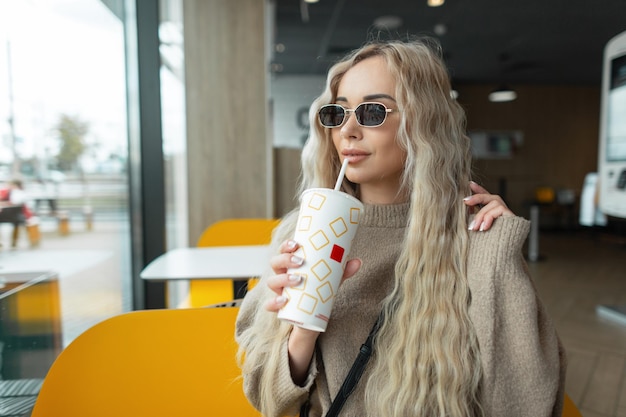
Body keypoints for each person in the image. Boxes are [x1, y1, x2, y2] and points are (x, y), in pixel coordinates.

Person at [235, 38, 566, 417]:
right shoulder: (303, 232)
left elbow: (529, 399)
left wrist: (497, 252)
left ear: (423, 122)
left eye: (373, 112)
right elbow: (266, 399)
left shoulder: (471, 238)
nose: (349, 130)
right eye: (338, 113)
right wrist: (304, 327)